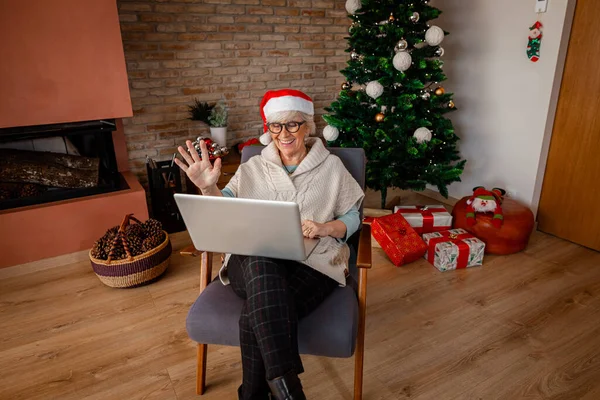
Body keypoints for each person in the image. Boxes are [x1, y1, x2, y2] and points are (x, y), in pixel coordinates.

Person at [175, 89, 364, 400]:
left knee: (258, 310)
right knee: (261, 261)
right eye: (276, 126)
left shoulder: (332, 167)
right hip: (249, 262)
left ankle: (252, 393)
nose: (283, 133)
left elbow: (353, 217)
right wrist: (208, 188)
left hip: (313, 263)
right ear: (268, 129)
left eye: (292, 124)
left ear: (308, 126)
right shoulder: (253, 168)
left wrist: (325, 227)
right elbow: (224, 209)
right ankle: (289, 390)